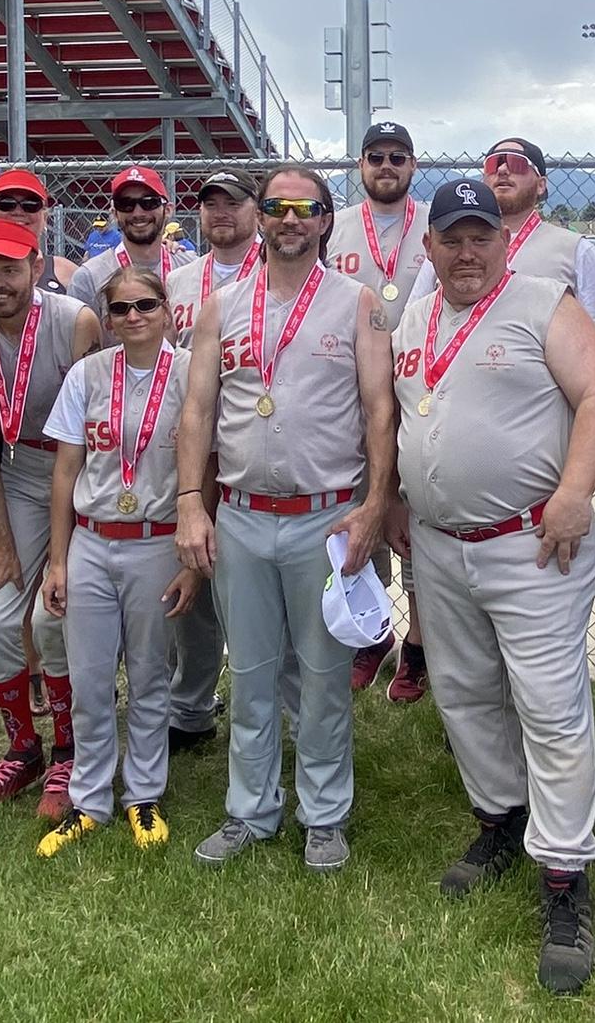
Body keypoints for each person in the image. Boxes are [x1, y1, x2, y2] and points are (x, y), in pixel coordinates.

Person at [392, 178, 595, 995]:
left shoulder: (541, 301)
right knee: (464, 695)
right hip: (440, 544)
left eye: (478, 236)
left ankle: (564, 876)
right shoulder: (414, 317)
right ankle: (501, 818)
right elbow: (401, 415)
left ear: (502, 240)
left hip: (531, 545)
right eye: (450, 238)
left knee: (549, 706)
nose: (464, 252)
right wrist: (392, 494)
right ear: (429, 247)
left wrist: (575, 490)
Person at [179, 165, 395, 874]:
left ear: (327, 219)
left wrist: (372, 506)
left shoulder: (355, 303)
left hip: (325, 518)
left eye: (306, 207)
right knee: (251, 672)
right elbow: (199, 412)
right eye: (276, 207)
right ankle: (250, 809)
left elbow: (379, 412)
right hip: (242, 516)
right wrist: (190, 503)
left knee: (326, 675)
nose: (290, 219)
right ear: (260, 217)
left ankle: (324, 813)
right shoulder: (221, 307)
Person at [0, 219, 102, 823]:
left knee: (51, 616)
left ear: (37, 268)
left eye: (10, 268)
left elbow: (95, 419)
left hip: (84, 475)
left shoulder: (75, 322)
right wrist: (3, 548)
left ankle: (68, 749)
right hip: (22, 476)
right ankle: (22, 750)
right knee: (0, 622)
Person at [35, 268, 198, 855]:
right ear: (106, 319)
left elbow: (204, 471)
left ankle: (144, 793)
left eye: (145, 305)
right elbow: (65, 472)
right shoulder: (87, 374)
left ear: (168, 311)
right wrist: (58, 561)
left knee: (152, 672)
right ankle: (90, 800)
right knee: (90, 678)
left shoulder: (188, 373)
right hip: (93, 540)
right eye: (121, 309)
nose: (133, 317)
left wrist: (191, 560)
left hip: (156, 540)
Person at [325, 119, 431, 702]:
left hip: (419, 387)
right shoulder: (334, 228)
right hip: (349, 393)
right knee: (359, 509)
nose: (386, 166)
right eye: (375, 157)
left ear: (412, 166)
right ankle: (371, 632)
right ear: (360, 165)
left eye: (397, 156)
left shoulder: (435, 227)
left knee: (410, 515)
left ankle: (416, 645)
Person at [162, 167, 263, 758]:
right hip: (194, 448)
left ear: (256, 210)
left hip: (251, 449)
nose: (221, 212)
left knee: (249, 587)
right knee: (191, 573)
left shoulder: (277, 276)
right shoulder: (178, 281)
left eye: (234, 201)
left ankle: (267, 702)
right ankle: (192, 705)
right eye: (210, 203)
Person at [409, 135, 595, 384]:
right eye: (493, 164)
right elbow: (413, 322)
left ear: (541, 184)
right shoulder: (445, 248)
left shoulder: (575, 250)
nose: (503, 169)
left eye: (517, 163)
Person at [69, 167, 178, 337]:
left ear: (168, 209)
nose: (138, 212)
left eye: (149, 202)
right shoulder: (89, 278)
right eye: (126, 204)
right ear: (114, 213)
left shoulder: (190, 266)